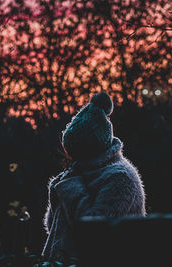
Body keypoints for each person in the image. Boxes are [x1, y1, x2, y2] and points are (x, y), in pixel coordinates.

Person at [42, 91, 146, 262]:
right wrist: (57, 195)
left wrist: (70, 189)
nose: (71, 159)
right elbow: (53, 228)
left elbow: (93, 233)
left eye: (75, 153)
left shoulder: (120, 178)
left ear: (90, 149)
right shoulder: (80, 172)